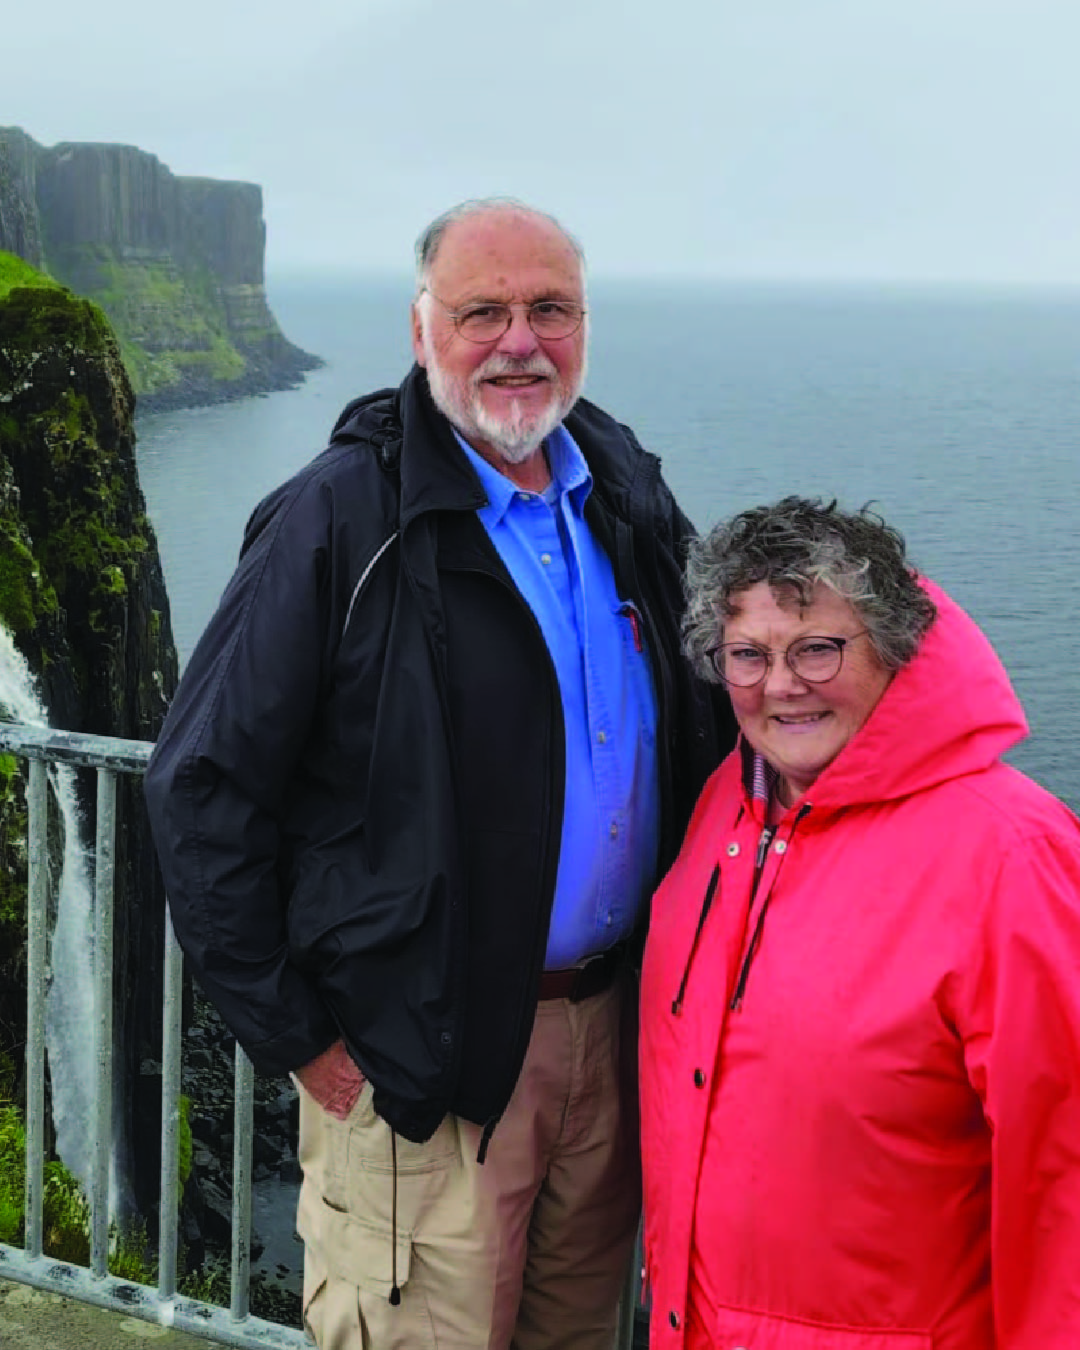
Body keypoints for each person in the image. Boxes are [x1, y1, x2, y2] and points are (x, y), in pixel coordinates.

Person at [144, 197, 734, 1349]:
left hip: (610, 1033)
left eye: (550, 309)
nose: (520, 340)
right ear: (423, 333)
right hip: (420, 1061)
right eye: (483, 312)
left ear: (585, 324)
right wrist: (303, 1039)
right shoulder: (338, 517)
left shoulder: (624, 496)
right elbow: (199, 781)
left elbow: (735, 689)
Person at [639, 496, 1080, 1349]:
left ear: (894, 648)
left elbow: (1063, 1178)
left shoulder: (1010, 857)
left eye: (817, 648)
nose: (780, 684)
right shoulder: (731, 806)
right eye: (747, 655)